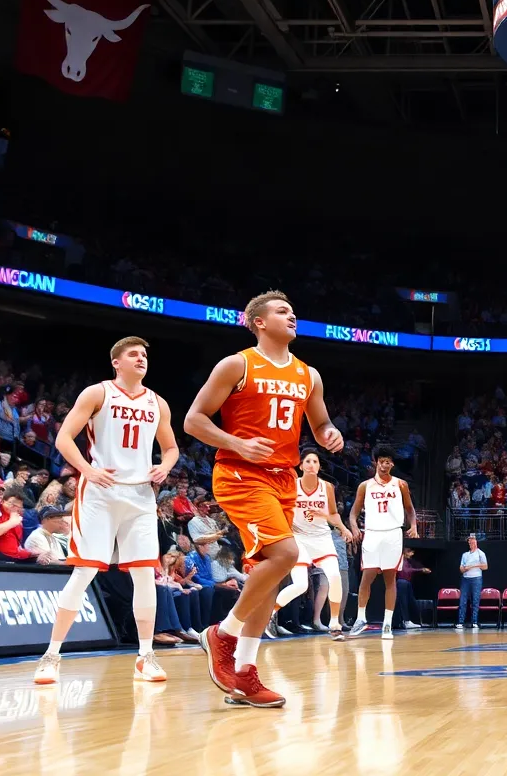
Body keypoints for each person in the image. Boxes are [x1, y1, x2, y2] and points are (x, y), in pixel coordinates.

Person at [184, 291, 344, 708]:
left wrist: (328, 434)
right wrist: (236, 443)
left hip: (283, 479)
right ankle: (221, 634)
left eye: (293, 310)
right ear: (257, 321)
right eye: (281, 311)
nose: (292, 315)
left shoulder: (309, 375)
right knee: (287, 555)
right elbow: (194, 421)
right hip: (240, 474)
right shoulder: (237, 364)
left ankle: (244, 675)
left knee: (267, 575)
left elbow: (319, 419)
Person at [34, 337, 179, 687]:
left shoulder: (157, 402)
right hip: (100, 492)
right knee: (84, 573)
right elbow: (64, 438)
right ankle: (51, 656)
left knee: (145, 575)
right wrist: (87, 469)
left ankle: (145, 656)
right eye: (133, 354)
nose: (141, 358)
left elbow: (171, 447)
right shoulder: (97, 393)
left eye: (144, 354)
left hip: (141, 497)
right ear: (117, 362)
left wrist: (165, 467)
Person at [267, 449, 352, 641]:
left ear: (319, 466)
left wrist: (342, 527)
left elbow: (333, 514)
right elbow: (281, 510)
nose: (312, 464)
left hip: (322, 537)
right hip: (299, 537)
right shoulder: (292, 485)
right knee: (301, 585)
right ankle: (270, 613)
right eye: (308, 461)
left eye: (315, 461)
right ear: (301, 465)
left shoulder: (327, 487)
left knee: (335, 576)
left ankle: (335, 624)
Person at [348, 445, 418, 640]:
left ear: (392, 464)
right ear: (376, 462)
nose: (384, 464)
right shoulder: (365, 485)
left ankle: (387, 624)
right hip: (371, 533)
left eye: (388, 461)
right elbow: (353, 512)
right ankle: (360, 619)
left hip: (393, 534)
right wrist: (354, 527)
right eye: (381, 461)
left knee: (390, 579)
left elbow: (410, 509)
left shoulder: (401, 484)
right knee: (366, 577)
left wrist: (413, 526)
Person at [457, 533, 487, 630]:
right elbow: (461, 568)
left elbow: (485, 566)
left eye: (472, 540)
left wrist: (473, 566)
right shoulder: (465, 555)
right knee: (463, 601)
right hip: (466, 579)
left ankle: (474, 621)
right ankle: (461, 622)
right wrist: (466, 569)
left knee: (475, 600)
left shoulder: (481, 553)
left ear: (476, 542)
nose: (471, 542)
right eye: (469, 541)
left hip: (476, 578)